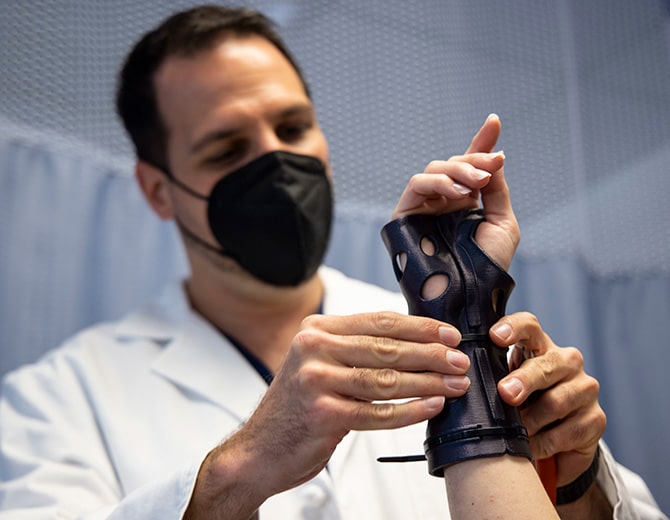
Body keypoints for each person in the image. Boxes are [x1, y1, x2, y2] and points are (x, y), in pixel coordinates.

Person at [0, 5, 665, 519]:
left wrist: (576, 478)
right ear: (157, 189)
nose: (278, 167)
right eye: (228, 148)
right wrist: (236, 473)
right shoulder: (59, 400)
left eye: (292, 130)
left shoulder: (447, 330)